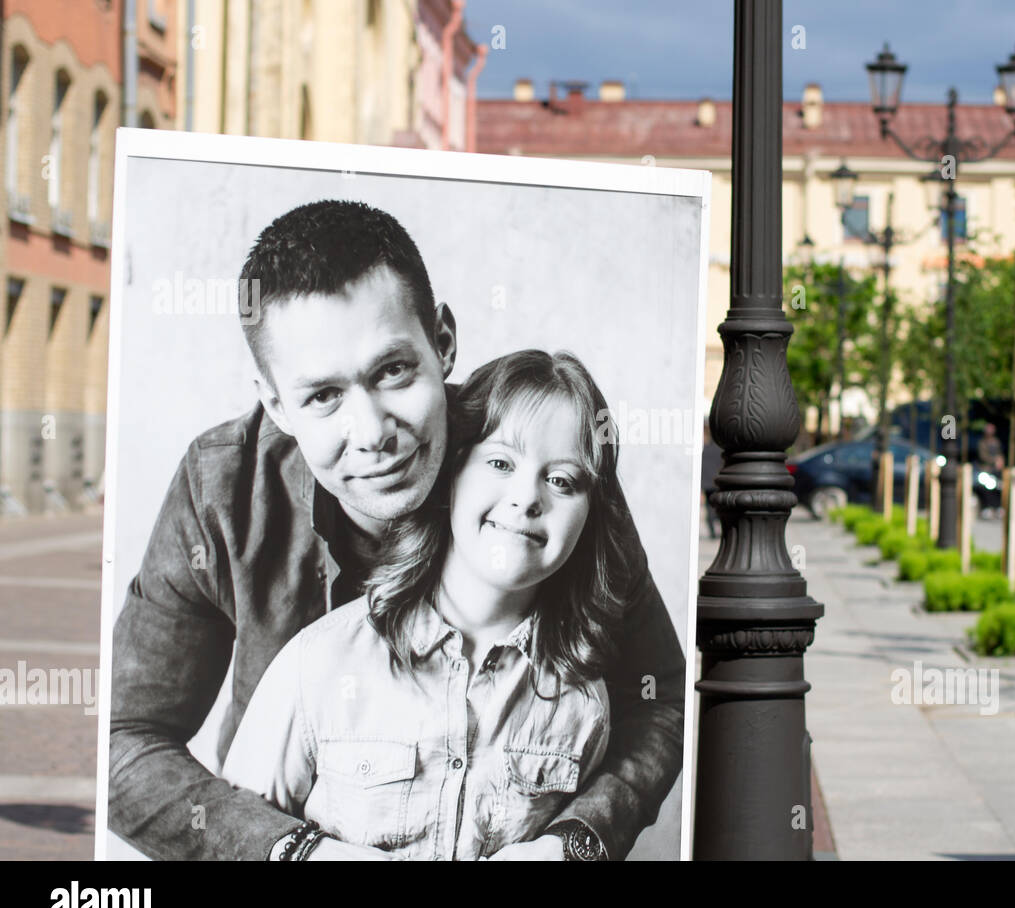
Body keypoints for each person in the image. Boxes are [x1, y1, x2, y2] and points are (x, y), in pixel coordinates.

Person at [109, 200, 684, 861]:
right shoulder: (222, 489)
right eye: (323, 395)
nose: (373, 432)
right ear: (276, 403)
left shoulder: (523, 455)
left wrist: (576, 842)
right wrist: (297, 852)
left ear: (442, 342)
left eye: (392, 371)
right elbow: (123, 745)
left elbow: (658, 696)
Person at [222, 351, 642, 858]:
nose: (528, 497)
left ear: (588, 517)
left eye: (562, 481)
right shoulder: (320, 663)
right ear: (452, 472)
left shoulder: (583, 702)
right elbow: (234, 835)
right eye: (501, 462)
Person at [976, 423, 1004, 518]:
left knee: (998, 489)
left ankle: (997, 507)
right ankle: (987, 508)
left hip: (996, 471)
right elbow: (982, 456)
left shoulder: (996, 442)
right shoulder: (982, 443)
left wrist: (1000, 460)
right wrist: (994, 460)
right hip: (986, 470)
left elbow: (1000, 453)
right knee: (986, 490)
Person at [701, 423, 723, 539]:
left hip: (706, 482)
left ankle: (712, 532)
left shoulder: (704, 450)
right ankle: (720, 528)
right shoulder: (719, 450)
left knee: (709, 507)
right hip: (717, 482)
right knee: (719, 506)